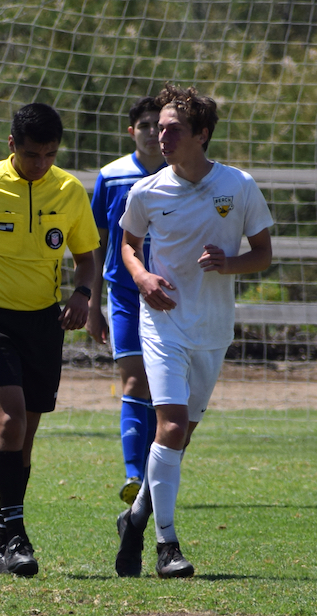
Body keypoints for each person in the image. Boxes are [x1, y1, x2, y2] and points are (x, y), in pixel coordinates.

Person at [115, 84, 273, 579]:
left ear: (202, 134)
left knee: (179, 440)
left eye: (174, 129)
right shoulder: (146, 190)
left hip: (213, 329)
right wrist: (141, 278)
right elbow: (127, 246)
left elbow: (264, 253)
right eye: (159, 128)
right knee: (172, 428)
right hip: (163, 326)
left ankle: (135, 514)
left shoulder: (238, 185)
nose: (162, 137)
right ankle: (167, 547)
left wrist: (230, 264)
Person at [0, 103, 99, 577]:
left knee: (24, 438)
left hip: (45, 324)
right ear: (12, 146)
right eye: (31, 154)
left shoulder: (68, 190)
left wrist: (83, 294)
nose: (41, 164)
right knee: (8, 423)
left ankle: (3, 541)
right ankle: (20, 534)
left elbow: (87, 258)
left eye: (49, 154)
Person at [87, 96, 166, 505]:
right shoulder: (112, 176)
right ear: (131, 130)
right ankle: (134, 475)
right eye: (145, 125)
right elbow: (96, 241)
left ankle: (156, 472)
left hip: (173, 296)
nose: (153, 132)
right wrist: (92, 302)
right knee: (135, 381)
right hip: (124, 295)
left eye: (159, 124)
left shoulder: (181, 175)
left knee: (165, 388)